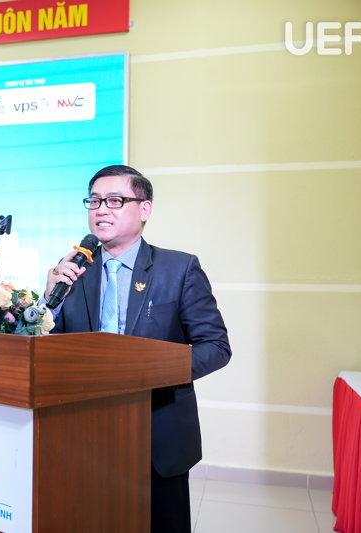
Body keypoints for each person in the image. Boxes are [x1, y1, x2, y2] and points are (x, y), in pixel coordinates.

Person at [45, 164, 231, 533]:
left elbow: (215, 346)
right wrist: (49, 302)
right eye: (95, 201)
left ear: (144, 209)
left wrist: (149, 373)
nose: (101, 210)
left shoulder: (179, 268)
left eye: (115, 200)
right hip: (83, 434)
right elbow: (52, 347)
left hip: (157, 433)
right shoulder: (74, 272)